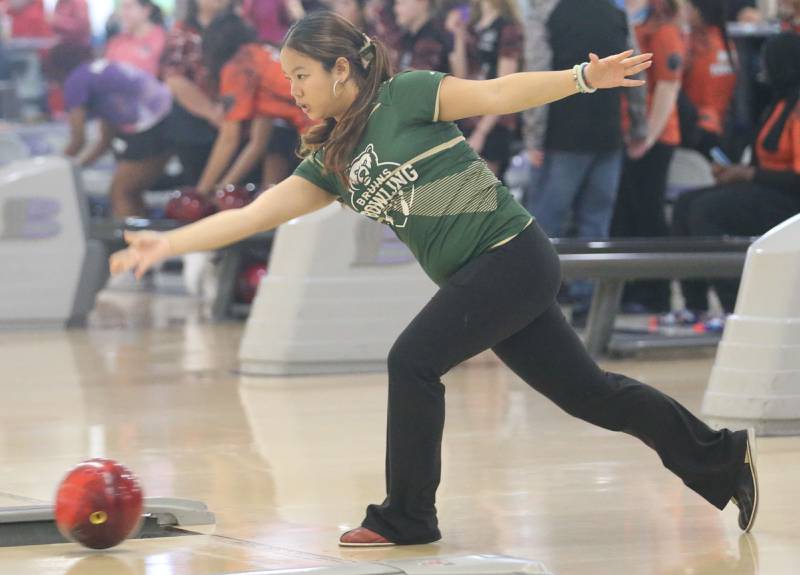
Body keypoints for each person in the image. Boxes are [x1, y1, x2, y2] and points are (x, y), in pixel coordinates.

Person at [109, 11, 758, 546]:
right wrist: (167, 242)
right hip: (487, 274)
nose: (295, 90)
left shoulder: (407, 96)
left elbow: (499, 93)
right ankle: (723, 457)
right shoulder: (332, 159)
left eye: (302, 75)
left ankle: (408, 515)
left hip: (512, 254)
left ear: (342, 69)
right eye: (289, 79)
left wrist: (584, 77)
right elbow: (252, 216)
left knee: (412, 360)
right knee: (592, 394)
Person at [522, 0, 646, 323]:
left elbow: (538, 72)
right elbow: (634, 69)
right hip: (608, 133)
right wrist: (638, 126)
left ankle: (531, 302)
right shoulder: (616, 12)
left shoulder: (547, 13)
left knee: (544, 224)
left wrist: (533, 137)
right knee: (596, 224)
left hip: (561, 135)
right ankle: (587, 304)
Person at [672, 32, 800, 318]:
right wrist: (735, 172)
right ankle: (694, 305)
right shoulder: (779, 103)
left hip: (791, 204)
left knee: (707, 211)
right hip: (767, 192)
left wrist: (748, 175)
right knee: (685, 204)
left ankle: (734, 307)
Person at [611, 0, 686, 313]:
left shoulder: (663, 29)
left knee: (649, 215)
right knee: (625, 216)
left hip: (655, 138)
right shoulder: (626, 22)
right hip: (626, 134)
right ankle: (628, 292)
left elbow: (669, 87)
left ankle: (656, 294)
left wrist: (648, 137)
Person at [194, 13, 309, 195]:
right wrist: (223, 188)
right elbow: (257, 143)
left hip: (318, 122)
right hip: (329, 114)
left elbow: (228, 139)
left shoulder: (239, 66)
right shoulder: (262, 53)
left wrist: (201, 192)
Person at [61, 58, 174, 218]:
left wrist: (55, 166)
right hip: (166, 115)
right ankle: (140, 229)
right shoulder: (94, 76)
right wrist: (80, 165)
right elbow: (106, 140)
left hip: (154, 121)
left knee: (121, 192)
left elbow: (78, 140)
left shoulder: (75, 83)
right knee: (132, 191)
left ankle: (128, 234)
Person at [159, 0, 234, 185]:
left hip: (235, 117)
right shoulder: (182, 32)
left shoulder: (240, 27)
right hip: (194, 124)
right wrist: (212, 113)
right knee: (198, 181)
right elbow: (174, 79)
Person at [447, 0, 523, 178]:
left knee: (482, 188)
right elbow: (460, 75)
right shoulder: (472, 24)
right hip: (469, 115)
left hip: (494, 122)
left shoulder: (508, 27)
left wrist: (481, 133)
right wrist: (458, 36)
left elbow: (505, 85)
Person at [679, 0, 737, 158]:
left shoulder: (694, 45)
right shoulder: (727, 44)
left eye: (687, 7)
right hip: (722, 127)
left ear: (699, 12)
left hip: (696, 130)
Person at [105, 0, 167, 76]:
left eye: (128, 7)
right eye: (122, 8)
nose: (122, 13)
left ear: (146, 10)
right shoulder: (116, 41)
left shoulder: (163, 40)